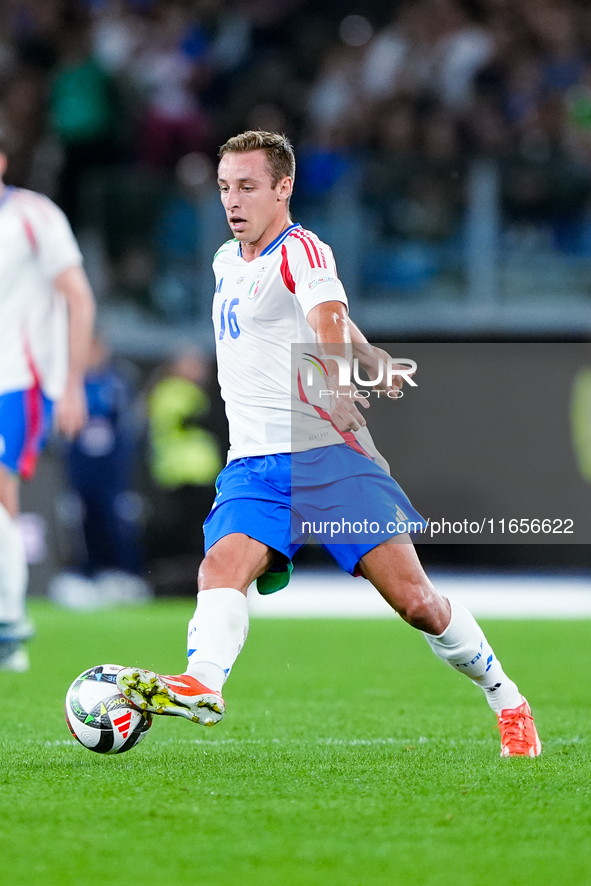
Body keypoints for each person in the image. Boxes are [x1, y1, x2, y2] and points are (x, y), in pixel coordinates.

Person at [117, 130, 541, 757]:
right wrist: (370, 356)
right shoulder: (225, 261)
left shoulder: (305, 250)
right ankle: (202, 684)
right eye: (226, 188)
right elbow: (325, 317)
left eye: (248, 188)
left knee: (418, 603)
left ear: (283, 188)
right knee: (218, 568)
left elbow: (326, 317)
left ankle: (508, 699)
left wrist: (341, 377)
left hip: (326, 458)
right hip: (254, 465)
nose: (233, 202)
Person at [0, 128, 95, 670]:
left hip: (19, 378)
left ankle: (11, 626)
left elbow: (77, 297)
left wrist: (73, 382)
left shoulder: (34, 217)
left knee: (2, 490)